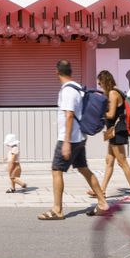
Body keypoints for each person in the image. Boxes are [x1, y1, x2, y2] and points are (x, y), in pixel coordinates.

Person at [38, 60, 110, 220]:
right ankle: (103, 203)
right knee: (84, 169)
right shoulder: (77, 87)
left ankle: (57, 210)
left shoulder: (68, 91)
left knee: (57, 170)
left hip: (70, 138)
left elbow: (69, 115)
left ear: (57, 72)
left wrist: (66, 142)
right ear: (70, 71)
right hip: (80, 137)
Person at [88, 70, 130, 199]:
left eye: (100, 83)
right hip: (113, 131)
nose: (99, 85)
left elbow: (111, 115)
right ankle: (101, 191)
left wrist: (98, 112)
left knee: (122, 162)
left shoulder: (113, 93)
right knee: (109, 161)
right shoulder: (115, 92)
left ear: (105, 81)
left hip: (117, 131)